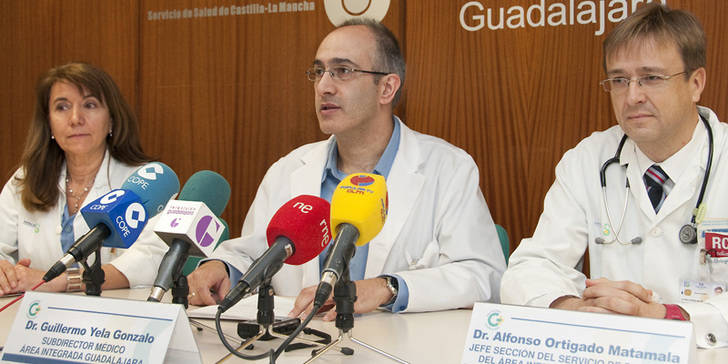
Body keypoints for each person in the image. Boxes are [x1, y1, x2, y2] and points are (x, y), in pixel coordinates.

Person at [187, 19, 506, 319]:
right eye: (319, 71)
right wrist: (223, 267)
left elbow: (483, 275)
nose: (324, 86)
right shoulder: (288, 170)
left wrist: (385, 288)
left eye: (342, 71)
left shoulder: (447, 168)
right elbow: (256, 253)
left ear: (387, 88)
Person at [501, 3, 728, 348]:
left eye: (651, 77)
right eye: (620, 80)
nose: (633, 96)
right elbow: (530, 267)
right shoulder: (589, 159)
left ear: (695, 83)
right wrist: (573, 308)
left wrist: (668, 317)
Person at [0, 62, 168, 296]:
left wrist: (60, 281)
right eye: (62, 107)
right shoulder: (26, 178)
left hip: (117, 322)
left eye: (89, 105)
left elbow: (153, 258)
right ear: (48, 122)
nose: (75, 118)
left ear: (111, 119)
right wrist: (4, 271)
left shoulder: (145, 181)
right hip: (35, 319)